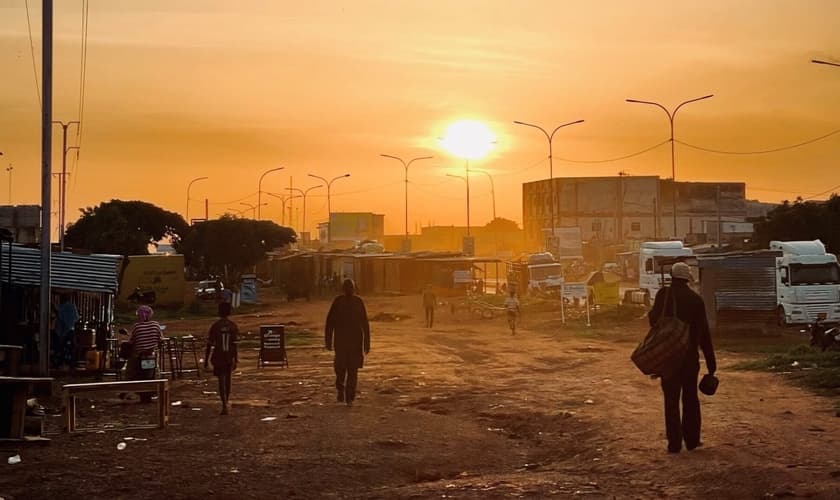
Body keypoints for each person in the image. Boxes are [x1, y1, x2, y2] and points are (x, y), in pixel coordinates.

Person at [648, 262, 717, 454]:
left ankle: (674, 443)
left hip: (668, 356)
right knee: (690, 398)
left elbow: (653, 319)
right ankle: (692, 440)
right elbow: (704, 333)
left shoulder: (663, 295)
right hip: (688, 357)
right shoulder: (695, 300)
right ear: (687, 278)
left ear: (672, 276)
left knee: (670, 400)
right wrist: (711, 363)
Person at [325, 279, 370, 407]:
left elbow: (365, 324)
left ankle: (350, 397)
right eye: (347, 288)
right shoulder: (338, 302)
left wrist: (367, 343)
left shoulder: (358, 302)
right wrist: (328, 340)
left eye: (351, 288)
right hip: (341, 343)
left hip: (355, 343)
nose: (349, 290)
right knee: (340, 369)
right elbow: (330, 323)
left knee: (353, 371)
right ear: (343, 289)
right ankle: (340, 388)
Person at [205, 302, 239, 415]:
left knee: (221, 380)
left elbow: (209, 344)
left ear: (219, 311)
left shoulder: (215, 326)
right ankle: (227, 401)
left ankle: (224, 403)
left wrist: (206, 360)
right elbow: (235, 344)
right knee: (228, 379)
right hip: (229, 355)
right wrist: (236, 358)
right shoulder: (233, 326)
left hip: (218, 356)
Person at [125, 305, 164, 403]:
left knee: (130, 372)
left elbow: (131, 341)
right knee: (156, 372)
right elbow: (161, 339)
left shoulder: (136, 326)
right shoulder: (156, 325)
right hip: (152, 354)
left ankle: (127, 389)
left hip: (139, 355)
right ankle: (153, 390)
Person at [54, 294, 80, 368]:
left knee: (60, 347)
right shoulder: (72, 307)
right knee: (72, 348)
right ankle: (72, 363)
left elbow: (60, 318)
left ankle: (60, 362)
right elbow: (76, 319)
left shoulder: (61, 307)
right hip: (71, 330)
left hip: (63, 331)